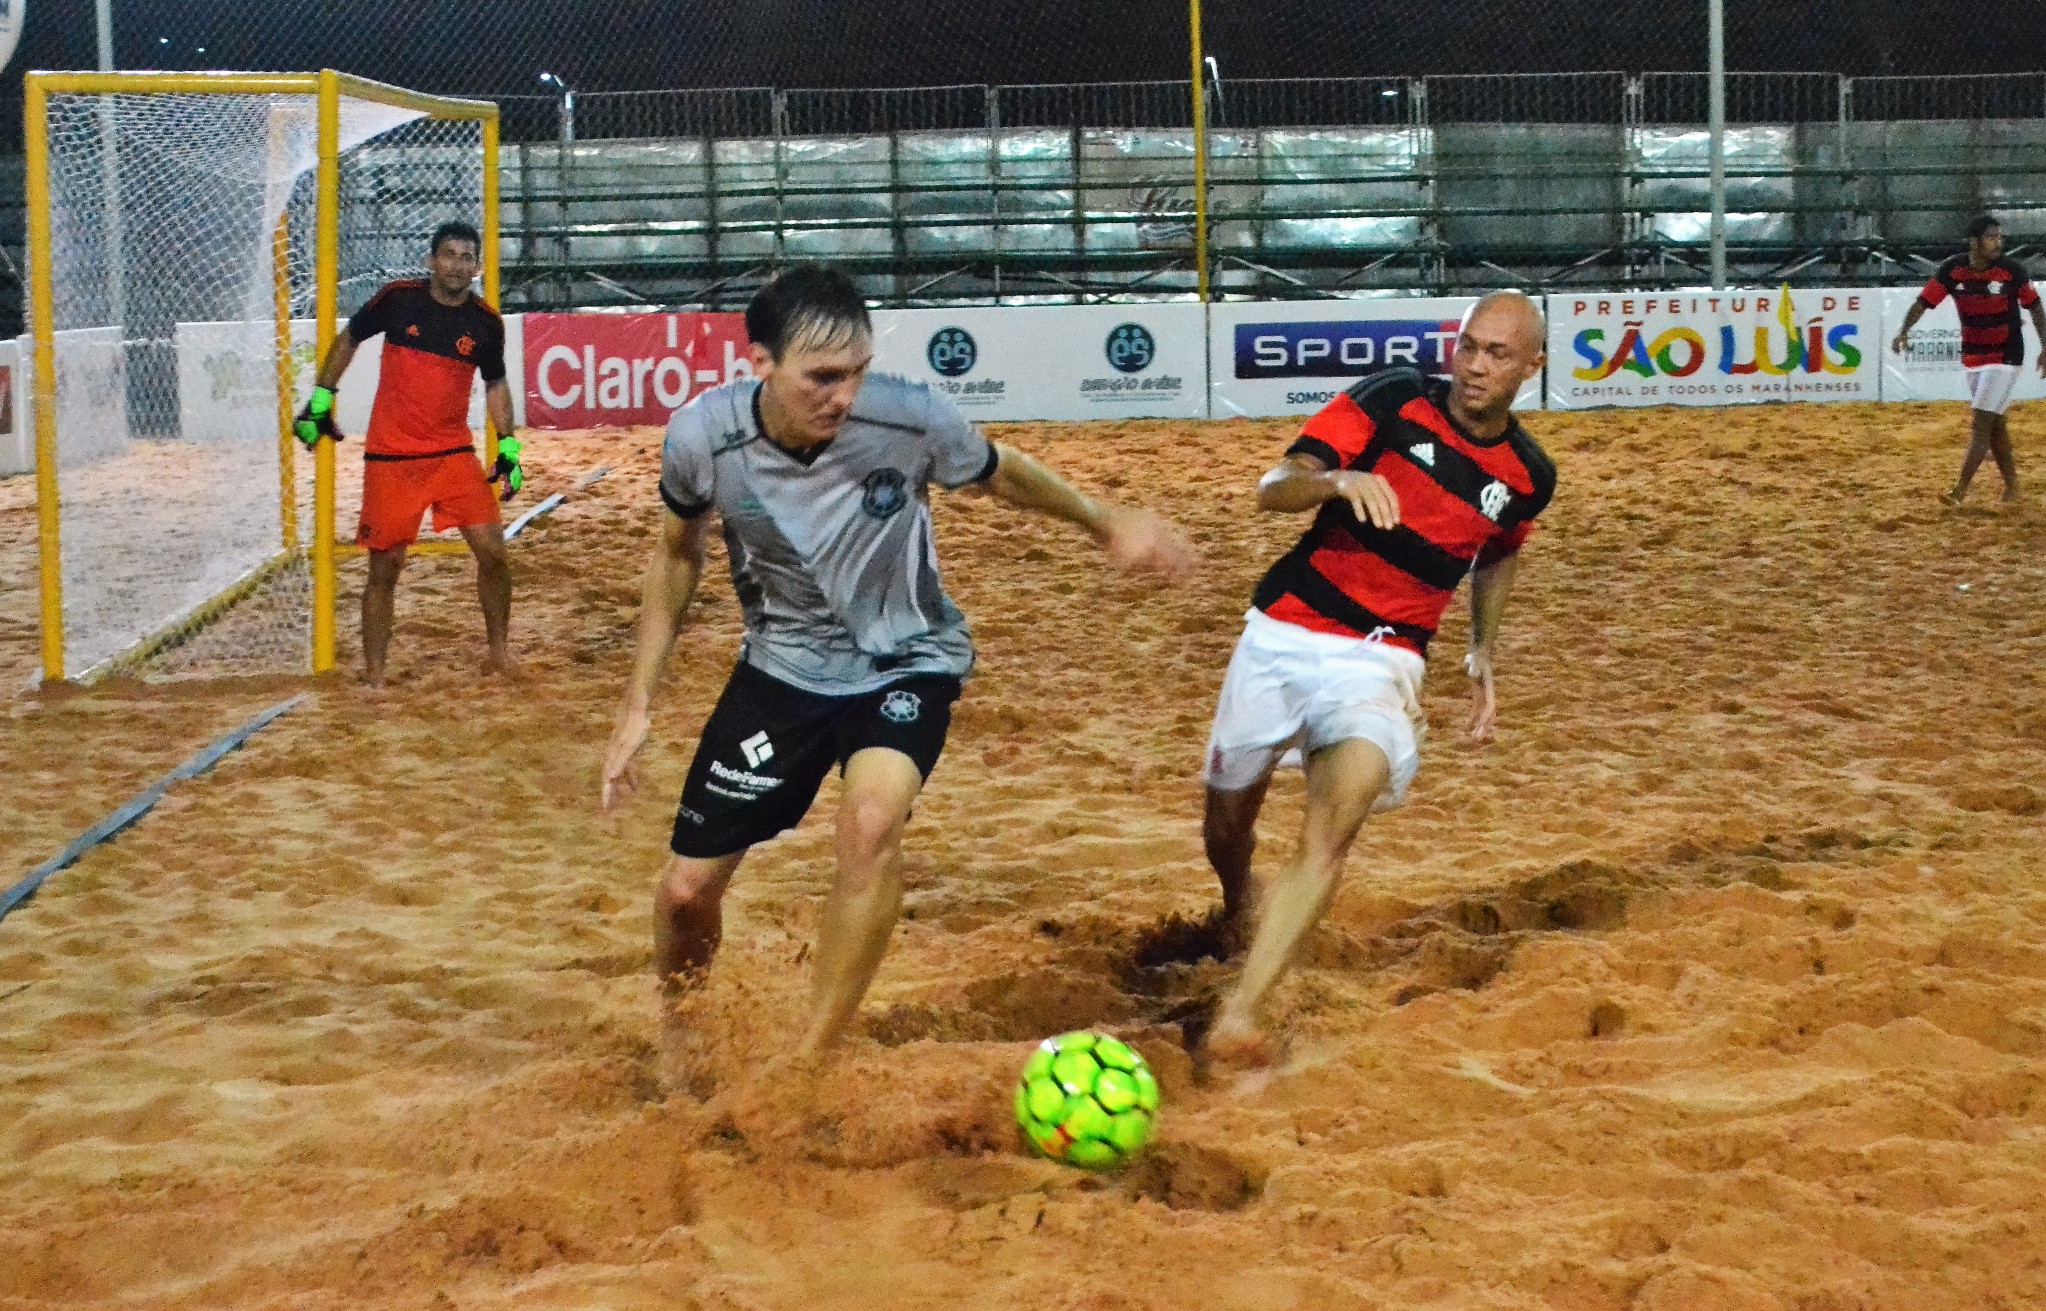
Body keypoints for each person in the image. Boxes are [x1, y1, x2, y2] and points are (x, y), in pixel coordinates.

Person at [599, 263, 1195, 1059]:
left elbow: (999, 472)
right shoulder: (703, 437)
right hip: (780, 670)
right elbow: (677, 554)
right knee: (683, 893)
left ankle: (810, 1057)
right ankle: (682, 1038)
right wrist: (639, 701)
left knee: (871, 822)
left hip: (904, 662)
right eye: (821, 377)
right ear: (761, 365)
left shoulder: (910, 417)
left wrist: (1104, 520)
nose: (843, 397)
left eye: (856, 374)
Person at [1199, 291, 1557, 1065]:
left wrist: (1481, 649)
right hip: (1285, 632)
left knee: (1336, 817)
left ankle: (1242, 1013)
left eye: (1498, 354)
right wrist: (1334, 483)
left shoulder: (1529, 473)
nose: (1475, 365)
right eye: (1468, 346)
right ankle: (1238, 900)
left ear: (1534, 366)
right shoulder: (1393, 397)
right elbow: (1273, 486)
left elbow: (1499, 550)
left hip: (1385, 657)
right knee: (1225, 826)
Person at [297, 220, 523, 685]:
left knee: (494, 554)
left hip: (452, 454)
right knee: (385, 567)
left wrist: (509, 447)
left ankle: (499, 652)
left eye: (467, 257)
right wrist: (321, 399)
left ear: (477, 266)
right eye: (449, 255)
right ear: (431, 261)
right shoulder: (397, 299)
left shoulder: (485, 323)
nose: (457, 265)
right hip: (392, 458)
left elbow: (496, 385)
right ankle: (375, 673)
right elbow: (349, 339)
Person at [1890, 215, 2046, 506]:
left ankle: (1959, 490)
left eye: (2000, 237)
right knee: (1995, 424)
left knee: (1981, 423)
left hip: (2006, 355)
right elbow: (1924, 301)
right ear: (1974, 242)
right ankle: (2013, 486)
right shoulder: (1952, 269)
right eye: (1991, 237)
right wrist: (1903, 331)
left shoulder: (2011, 271)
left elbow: (2035, 308)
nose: (1998, 242)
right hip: (1974, 355)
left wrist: (2045, 346)